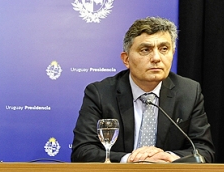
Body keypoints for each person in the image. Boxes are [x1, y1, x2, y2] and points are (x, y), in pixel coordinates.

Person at [71, 17, 215, 163]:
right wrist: (130, 160)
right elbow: (83, 151)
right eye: (146, 50)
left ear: (173, 53)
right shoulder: (100, 93)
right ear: (126, 59)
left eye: (164, 49)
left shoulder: (189, 92)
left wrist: (168, 157)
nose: (156, 58)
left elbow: (204, 151)